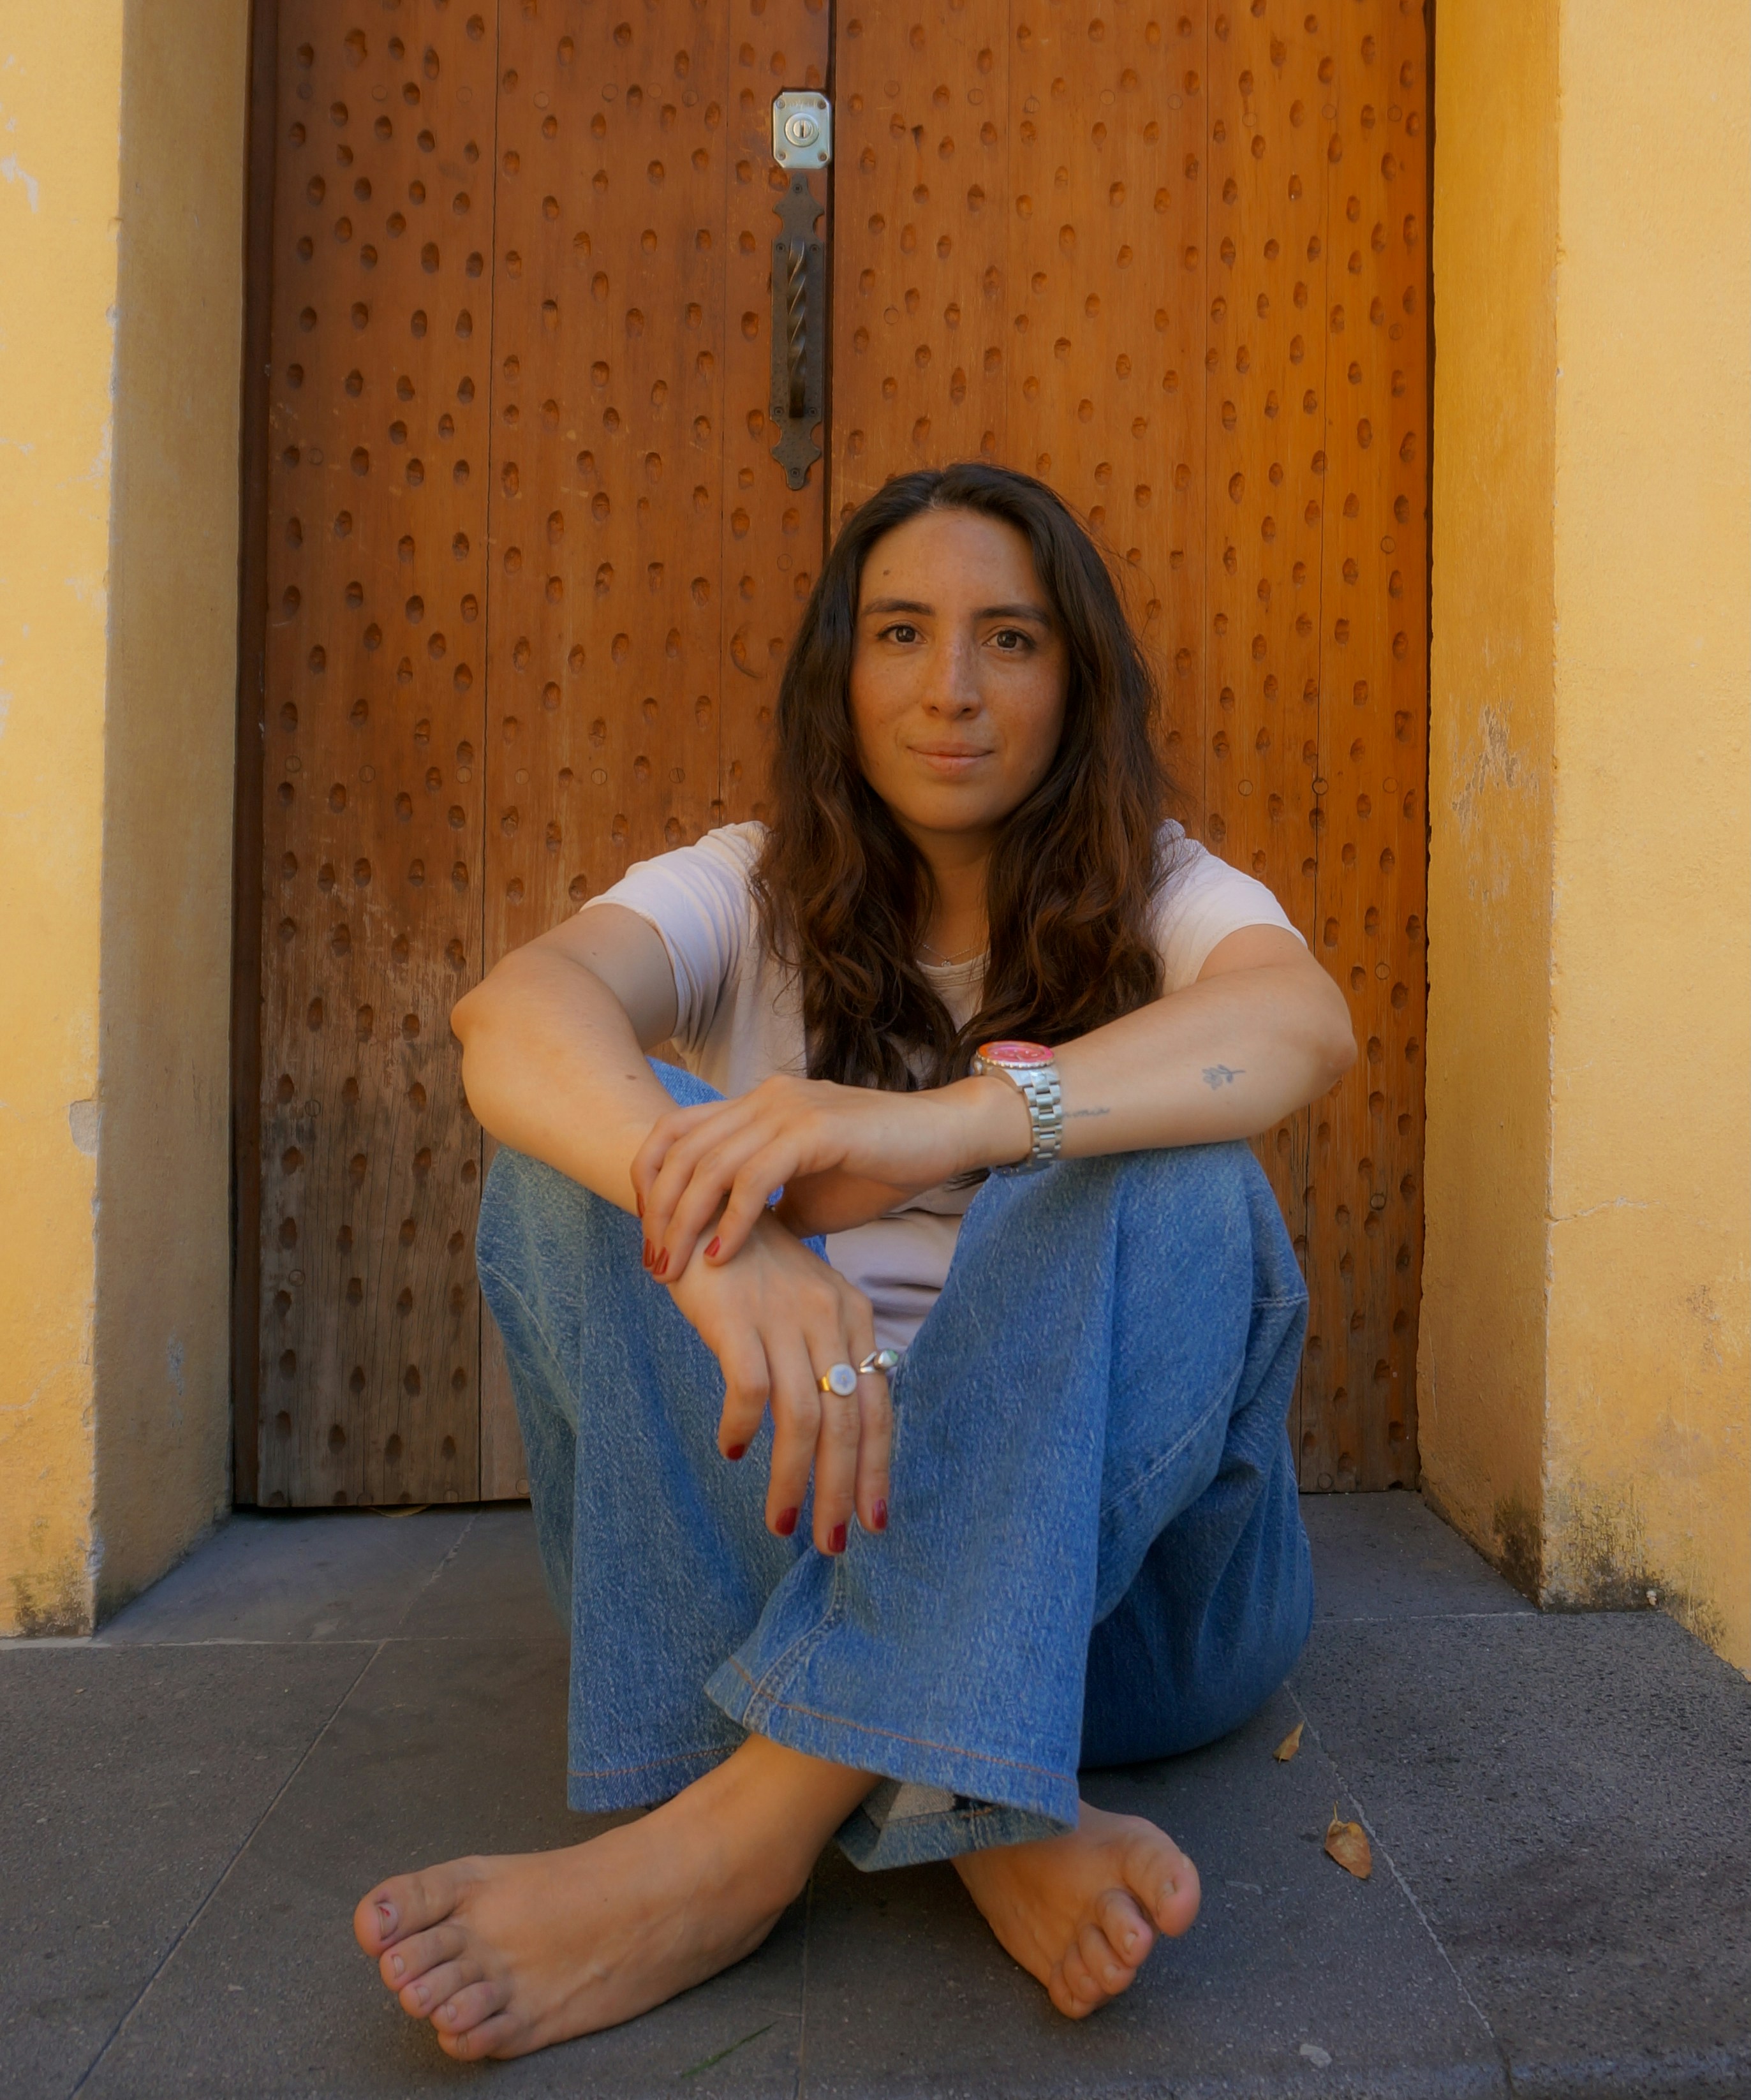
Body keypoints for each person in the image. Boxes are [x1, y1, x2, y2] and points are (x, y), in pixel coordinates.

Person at [352, 462, 1356, 2062]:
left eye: (1008, 641)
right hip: (754, 1549)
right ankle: (970, 1793)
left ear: (1073, 681)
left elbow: (1298, 1026)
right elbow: (510, 1021)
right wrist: (726, 1241)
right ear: (842, 672)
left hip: (1128, 1636)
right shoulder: (738, 891)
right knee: (585, 1155)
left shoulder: (1168, 891)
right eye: (901, 633)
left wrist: (948, 1126)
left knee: (1171, 1168)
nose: (950, 688)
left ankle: (734, 1844)